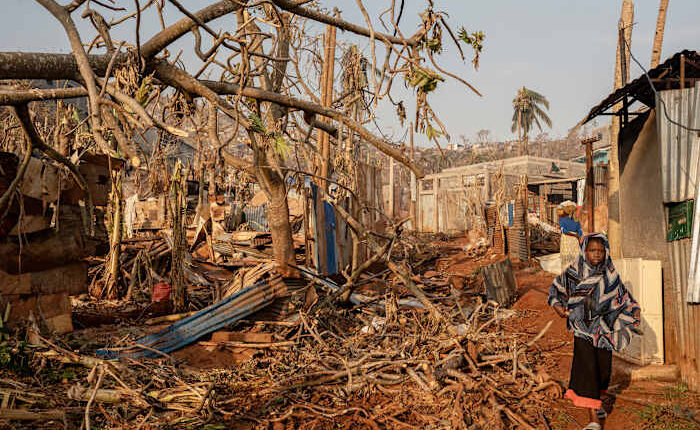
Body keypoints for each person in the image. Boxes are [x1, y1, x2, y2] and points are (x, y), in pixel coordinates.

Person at [548, 233, 641, 430]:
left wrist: (634, 311)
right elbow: (556, 290)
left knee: (603, 369)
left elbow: (624, 297)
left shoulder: (611, 274)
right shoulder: (575, 271)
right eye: (592, 250)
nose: (597, 254)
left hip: (604, 331)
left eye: (600, 250)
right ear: (585, 251)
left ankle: (597, 403)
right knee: (588, 369)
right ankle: (593, 419)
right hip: (582, 328)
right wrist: (559, 308)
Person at [558, 201, 583, 272]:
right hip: (574, 241)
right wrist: (578, 236)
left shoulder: (562, 220)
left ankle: (566, 273)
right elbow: (580, 231)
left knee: (566, 258)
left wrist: (575, 235)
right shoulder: (577, 221)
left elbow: (564, 231)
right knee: (575, 257)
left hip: (566, 240)